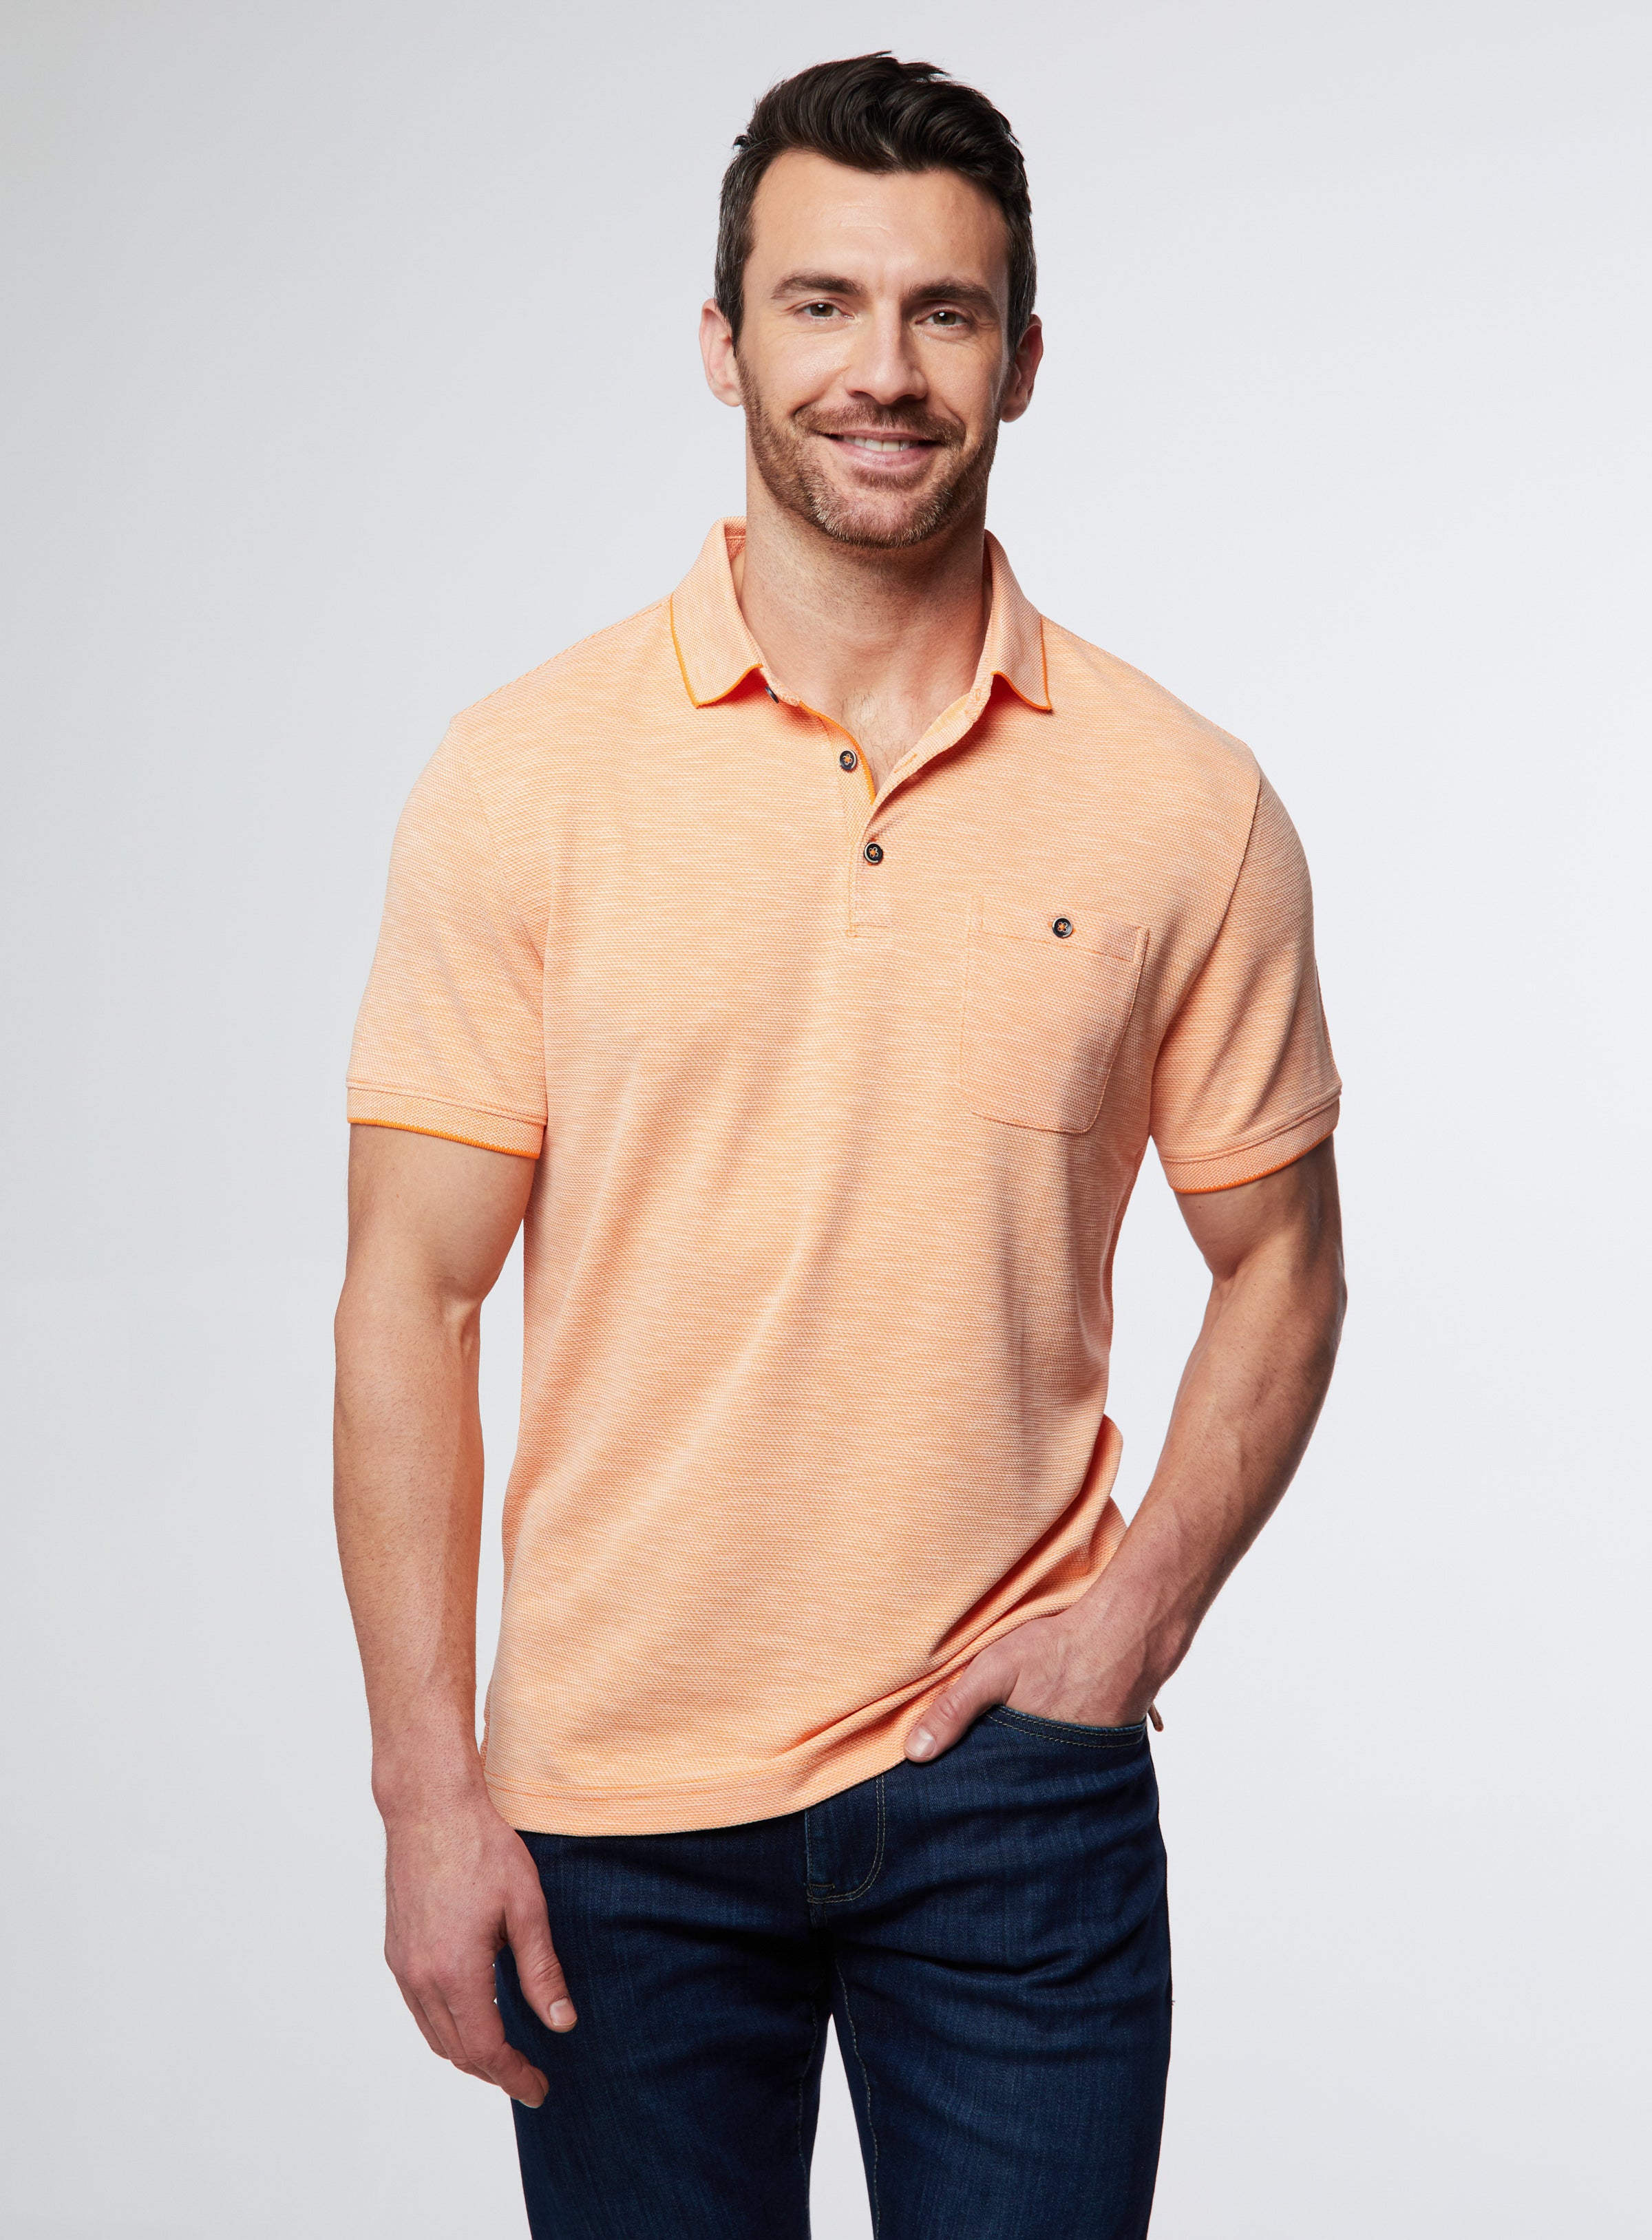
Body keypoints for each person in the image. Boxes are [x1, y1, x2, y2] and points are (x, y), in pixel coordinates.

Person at [334, 51, 1346, 2240]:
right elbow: (412, 1291)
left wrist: (1135, 1620)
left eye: (942, 312)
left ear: (1023, 359)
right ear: (723, 343)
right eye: (820, 304)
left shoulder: (1184, 804)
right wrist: (427, 1786)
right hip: (612, 1805)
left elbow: (1286, 1262)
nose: (881, 370)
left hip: (1014, 1797)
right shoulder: (524, 779)